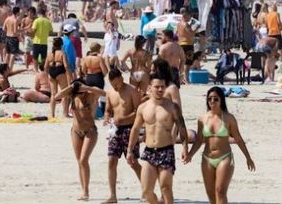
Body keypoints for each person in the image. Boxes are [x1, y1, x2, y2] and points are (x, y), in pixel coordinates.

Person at [185, 87, 255, 204]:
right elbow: (199, 140)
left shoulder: (229, 118)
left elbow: (238, 138)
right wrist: (190, 154)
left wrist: (248, 157)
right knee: (210, 193)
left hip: (224, 157)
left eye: (215, 99)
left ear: (221, 100)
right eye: (209, 99)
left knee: (220, 191)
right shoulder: (202, 119)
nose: (212, 101)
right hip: (207, 158)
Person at [127, 73, 188, 204]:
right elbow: (136, 129)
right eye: (157, 87)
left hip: (166, 151)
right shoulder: (143, 108)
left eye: (162, 87)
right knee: (146, 191)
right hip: (149, 151)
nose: (160, 90)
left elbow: (182, 128)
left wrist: (185, 148)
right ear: (150, 88)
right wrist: (129, 150)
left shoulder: (172, 107)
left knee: (166, 188)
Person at [56, 79, 107, 201]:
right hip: (75, 131)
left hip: (90, 131)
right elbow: (57, 96)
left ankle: (86, 191)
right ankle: (83, 190)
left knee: (84, 160)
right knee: (80, 162)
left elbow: (104, 93)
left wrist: (87, 87)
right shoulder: (72, 95)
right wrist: (71, 87)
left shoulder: (91, 95)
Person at [104, 69, 142, 203]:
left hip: (130, 129)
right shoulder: (110, 92)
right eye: (113, 85)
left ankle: (146, 190)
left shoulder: (132, 91)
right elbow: (108, 110)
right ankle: (113, 195)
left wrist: (124, 118)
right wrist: (107, 117)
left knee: (133, 162)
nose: (116, 87)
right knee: (111, 161)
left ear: (121, 78)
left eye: (117, 84)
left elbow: (139, 111)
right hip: (115, 130)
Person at [45, 38, 72, 118]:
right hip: (60, 72)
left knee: (53, 94)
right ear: (61, 45)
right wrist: (69, 76)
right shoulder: (62, 53)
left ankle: (52, 114)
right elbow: (66, 66)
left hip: (51, 72)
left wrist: (48, 75)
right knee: (64, 93)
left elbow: (45, 66)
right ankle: (65, 113)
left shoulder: (50, 54)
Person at [176, 7, 199, 82]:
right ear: (186, 15)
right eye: (190, 16)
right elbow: (191, 34)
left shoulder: (179, 24)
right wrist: (196, 28)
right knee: (187, 64)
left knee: (182, 62)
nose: (190, 18)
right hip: (187, 44)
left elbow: (177, 33)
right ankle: (186, 79)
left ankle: (181, 78)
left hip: (181, 43)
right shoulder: (186, 24)